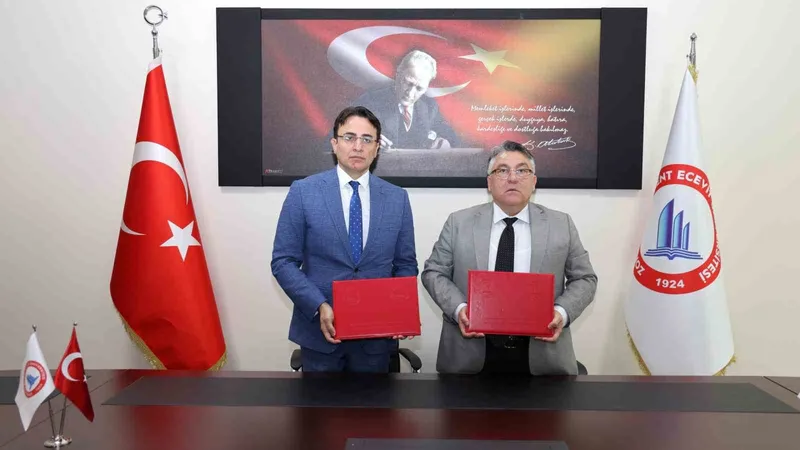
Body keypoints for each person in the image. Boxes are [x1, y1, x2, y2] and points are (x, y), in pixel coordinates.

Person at [421, 140, 597, 375]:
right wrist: (459, 308)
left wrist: (561, 313)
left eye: (522, 170)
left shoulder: (560, 224)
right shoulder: (459, 223)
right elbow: (434, 272)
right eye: (502, 170)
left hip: (541, 355)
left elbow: (585, 279)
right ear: (489, 182)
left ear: (534, 181)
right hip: (470, 353)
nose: (513, 178)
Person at [271, 106, 418, 372]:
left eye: (367, 139)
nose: (358, 147)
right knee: (319, 402)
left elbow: (405, 264)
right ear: (334, 144)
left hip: (376, 339)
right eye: (349, 137)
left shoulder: (397, 198)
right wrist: (318, 305)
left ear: (377, 148)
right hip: (320, 334)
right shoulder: (304, 192)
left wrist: (400, 309)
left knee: (374, 402)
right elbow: (283, 262)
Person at [354, 50, 459, 150]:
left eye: (419, 88)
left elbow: (452, 138)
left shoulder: (430, 106)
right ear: (398, 74)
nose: (410, 93)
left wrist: (446, 143)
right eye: (408, 83)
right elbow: (348, 132)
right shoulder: (370, 101)